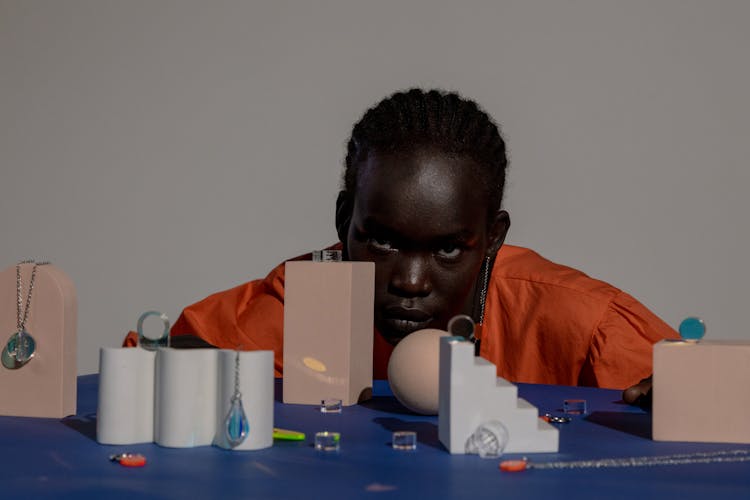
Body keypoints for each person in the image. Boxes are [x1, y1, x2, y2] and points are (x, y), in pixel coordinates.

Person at [125, 88, 675, 403]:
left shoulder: (584, 322)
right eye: (383, 242)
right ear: (345, 223)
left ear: (493, 239)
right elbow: (145, 366)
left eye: (448, 250)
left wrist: (686, 401)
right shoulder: (301, 302)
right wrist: (180, 370)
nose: (410, 282)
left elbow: (706, 399)